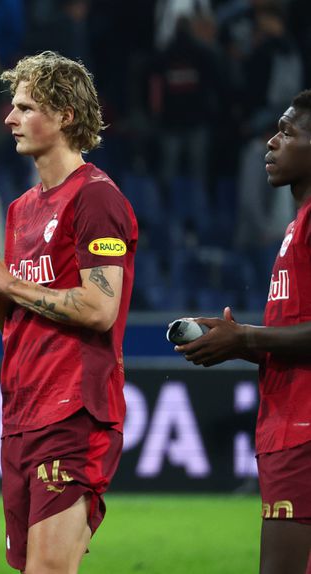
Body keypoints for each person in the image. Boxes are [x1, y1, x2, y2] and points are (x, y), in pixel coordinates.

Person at [0, 51, 138, 573]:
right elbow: (12, 320)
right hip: (23, 412)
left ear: (65, 115)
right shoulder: (21, 210)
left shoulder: (96, 199)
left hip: (74, 411)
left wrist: (6, 279)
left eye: (25, 107)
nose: (10, 118)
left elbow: (100, 307)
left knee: (49, 569)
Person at [175, 89, 311, 574]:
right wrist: (235, 340)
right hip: (290, 425)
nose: (271, 142)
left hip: (303, 431)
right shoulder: (297, 226)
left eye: (287, 132)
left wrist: (247, 338)